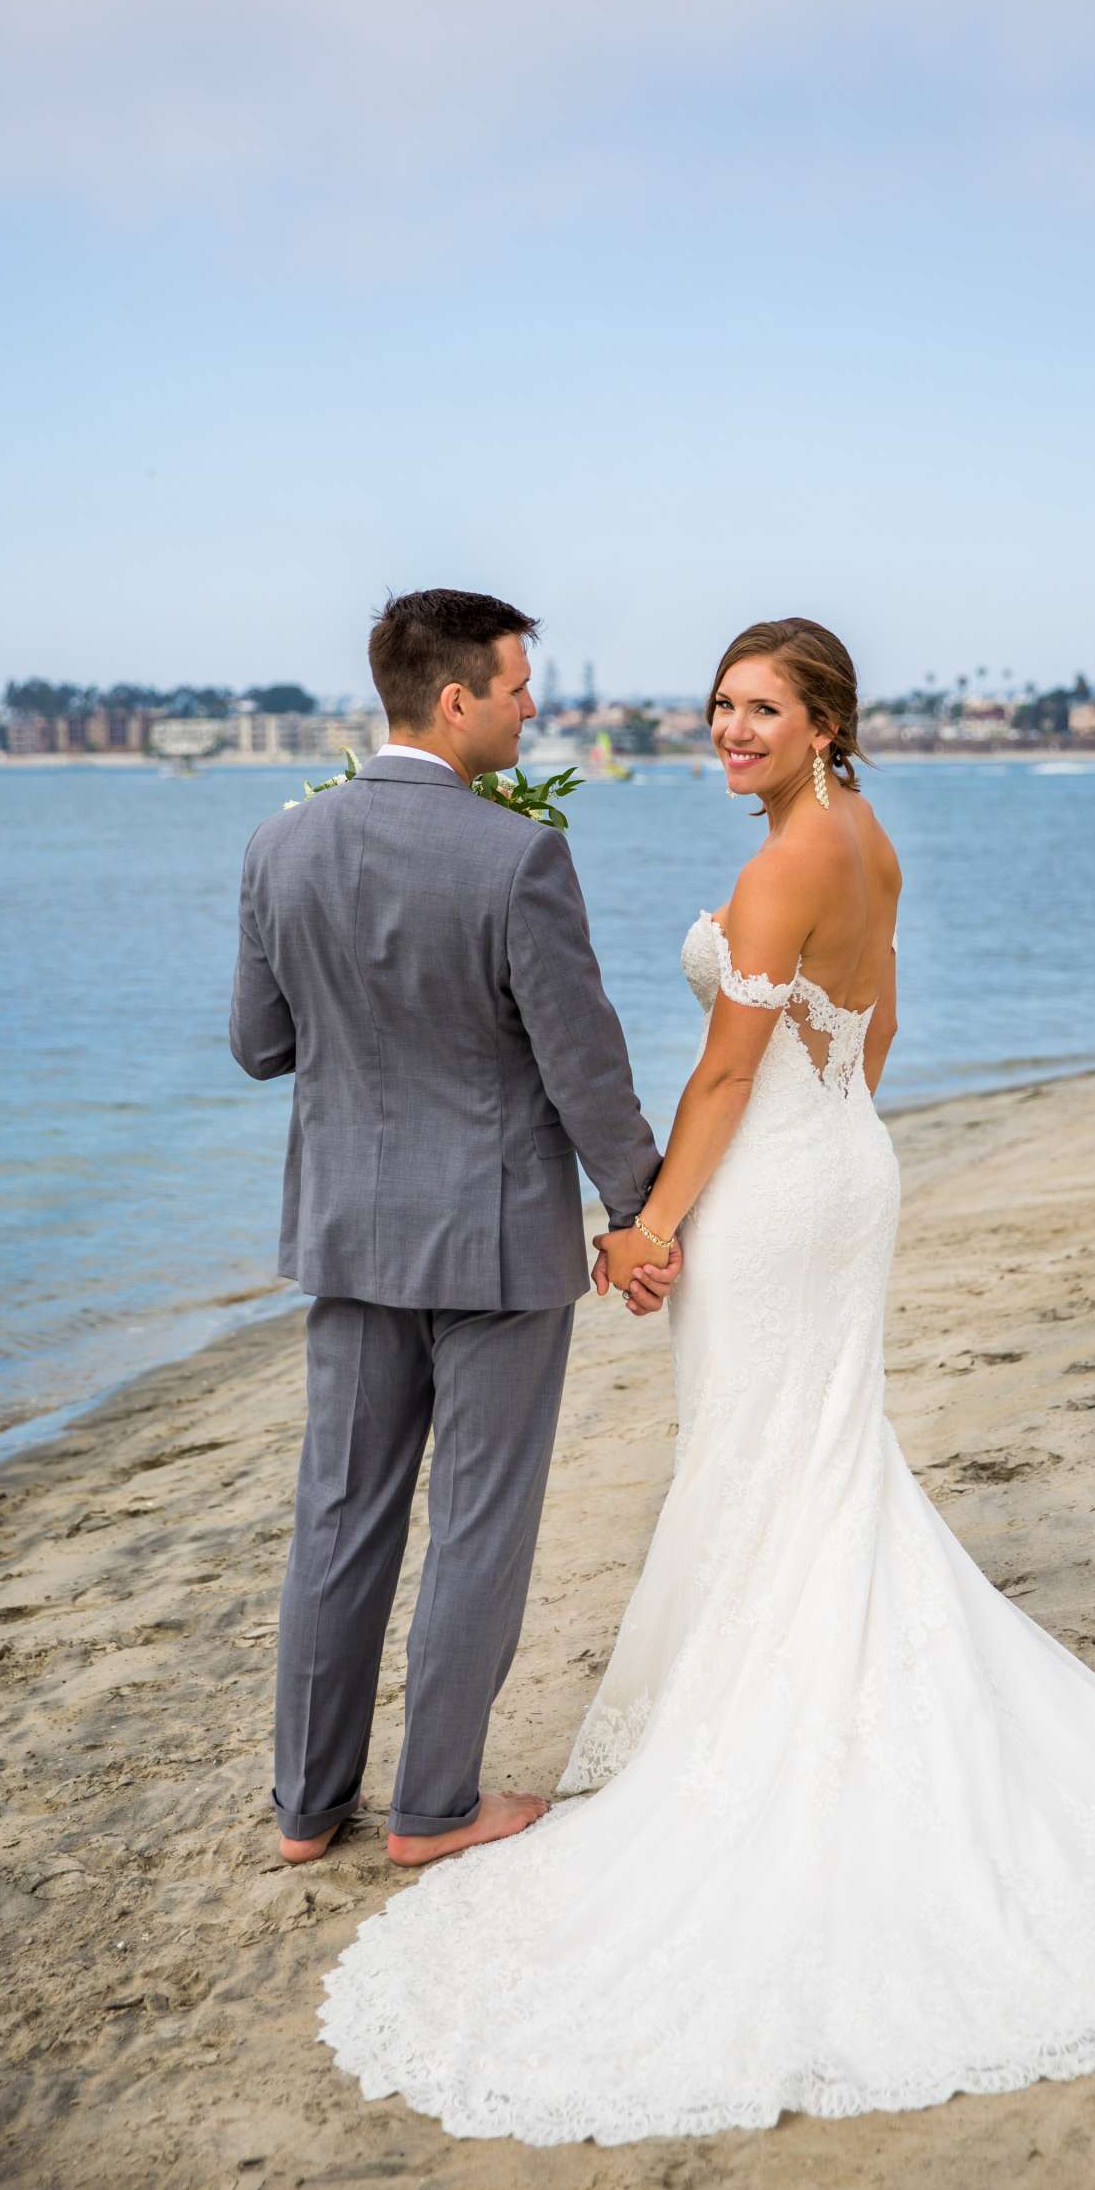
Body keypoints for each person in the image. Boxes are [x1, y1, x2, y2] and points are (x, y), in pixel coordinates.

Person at [316, 617, 1095, 2146]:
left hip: (777, 1188)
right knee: (820, 1451)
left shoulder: (789, 861)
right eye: (722, 706)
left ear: (823, 720)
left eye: (762, 710)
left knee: (766, 1453)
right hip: (845, 1160)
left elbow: (723, 1072)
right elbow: (882, 1022)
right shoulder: (864, 837)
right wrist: (826, 1135)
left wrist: (653, 1220)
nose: (731, 730)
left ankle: (781, 1730)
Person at [229, 587, 680, 1873]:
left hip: (349, 1235)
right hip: (490, 1242)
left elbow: (260, 1047)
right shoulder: (517, 855)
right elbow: (582, 1063)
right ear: (456, 700)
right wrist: (640, 1211)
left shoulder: (280, 845)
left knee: (339, 1513)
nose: (535, 705)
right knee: (478, 1519)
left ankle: (306, 1812)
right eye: (520, 685)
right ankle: (434, 1811)